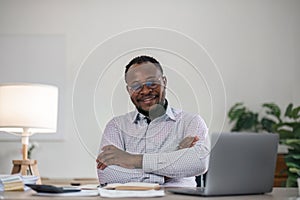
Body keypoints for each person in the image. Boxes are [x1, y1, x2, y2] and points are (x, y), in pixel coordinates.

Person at [96, 55, 210, 187]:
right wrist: (171, 167)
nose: (145, 91)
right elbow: (107, 174)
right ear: (128, 90)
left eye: (151, 83)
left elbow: (198, 162)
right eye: (136, 86)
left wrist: (133, 160)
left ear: (164, 82)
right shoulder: (116, 126)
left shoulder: (191, 122)